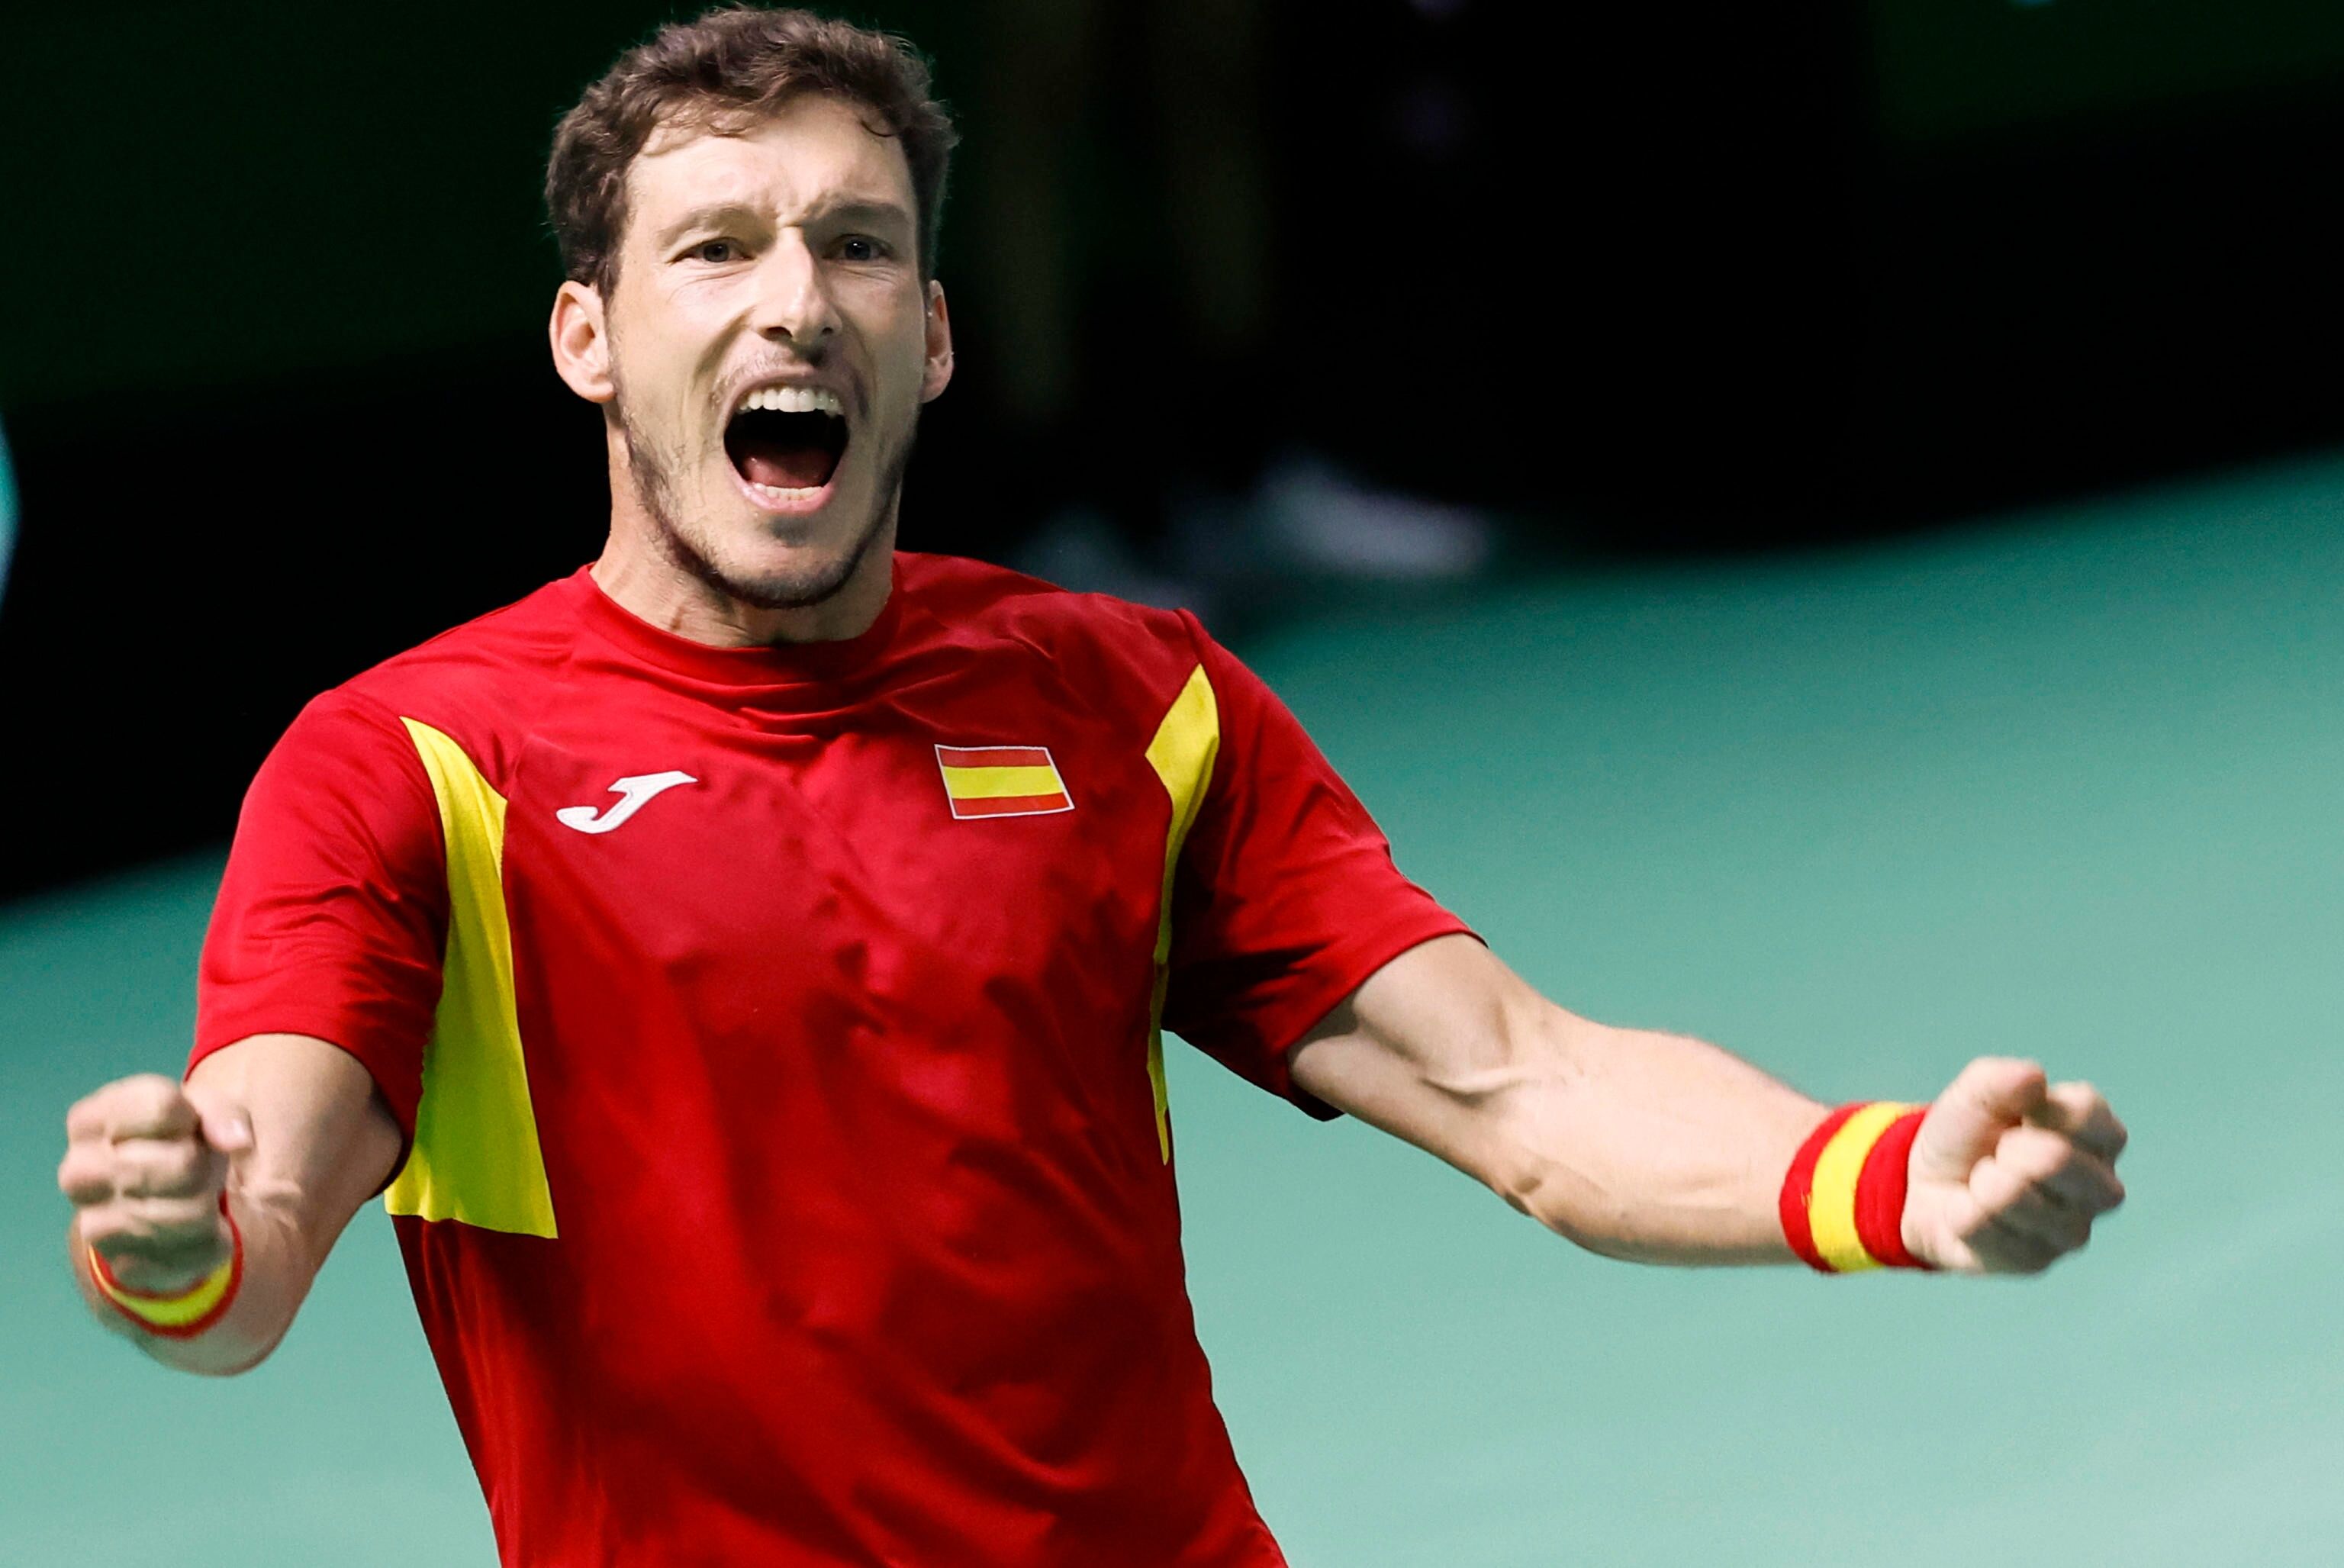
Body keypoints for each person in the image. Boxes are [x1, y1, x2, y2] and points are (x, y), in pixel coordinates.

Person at [54, 8, 2127, 1565]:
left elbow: (1524, 1086)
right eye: (719, 250)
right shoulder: (413, 764)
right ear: (588, 337)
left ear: (934, 333)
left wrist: (1873, 1179)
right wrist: (176, 1240)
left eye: (857, 246)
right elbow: (258, 1212)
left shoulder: (1130, 703)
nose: (798, 296)